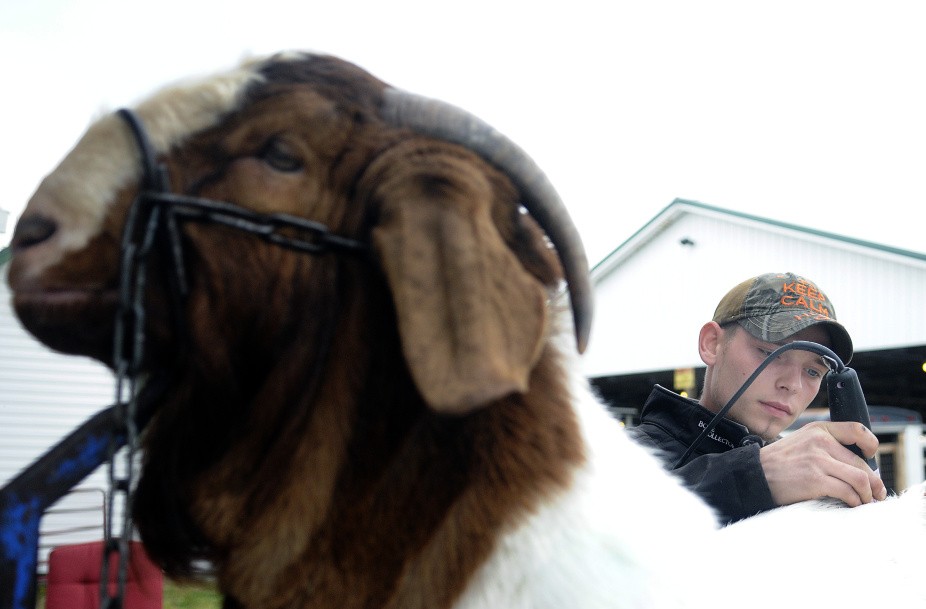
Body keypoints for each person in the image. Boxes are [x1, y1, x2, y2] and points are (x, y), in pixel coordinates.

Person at [626, 272, 887, 524]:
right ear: (711, 343)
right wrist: (757, 475)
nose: (792, 384)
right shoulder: (619, 455)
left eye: (812, 371)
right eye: (769, 352)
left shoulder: (817, 476)